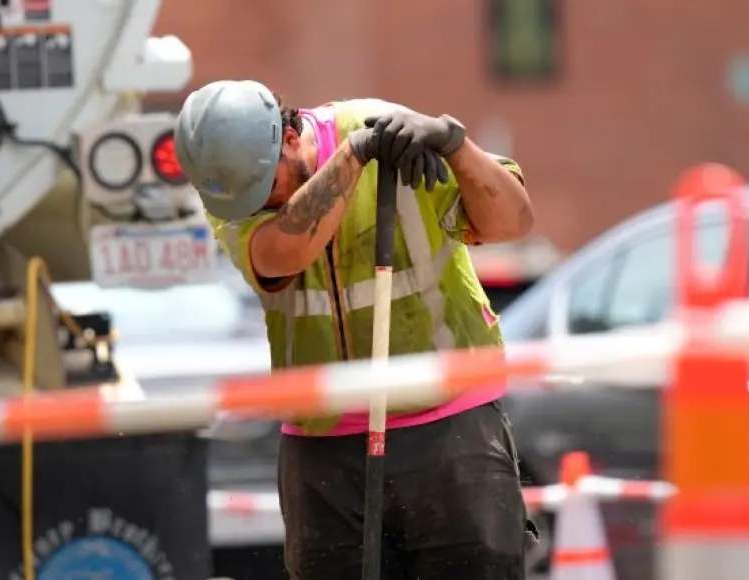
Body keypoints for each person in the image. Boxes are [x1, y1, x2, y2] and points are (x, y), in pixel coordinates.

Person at [174, 80, 538, 579]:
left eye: (268, 189)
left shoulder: (383, 124)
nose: (264, 204)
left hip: (451, 429)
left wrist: (454, 144)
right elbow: (281, 253)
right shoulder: (234, 193)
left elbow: (513, 222)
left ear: (286, 136)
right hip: (324, 448)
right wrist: (355, 157)